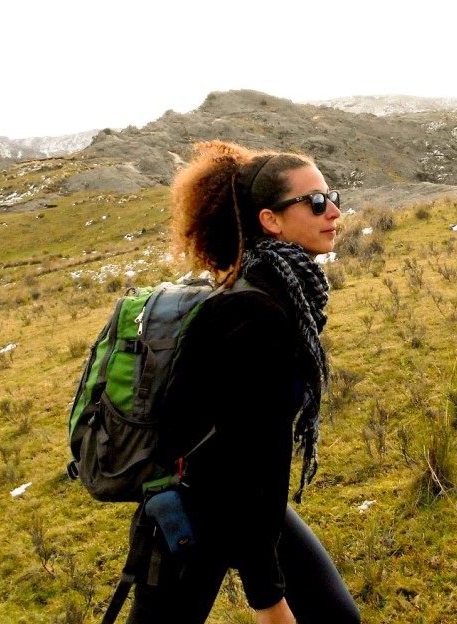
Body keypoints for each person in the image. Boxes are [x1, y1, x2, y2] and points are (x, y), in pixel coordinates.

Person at [125, 140, 361, 624]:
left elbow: (256, 461)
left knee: (337, 619)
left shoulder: (271, 289)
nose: (333, 210)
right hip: (193, 507)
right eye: (315, 202)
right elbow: (243, 460)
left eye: (331, 196)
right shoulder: (256, 312)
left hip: (242, 502)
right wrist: (268, 598)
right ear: (271, 221)